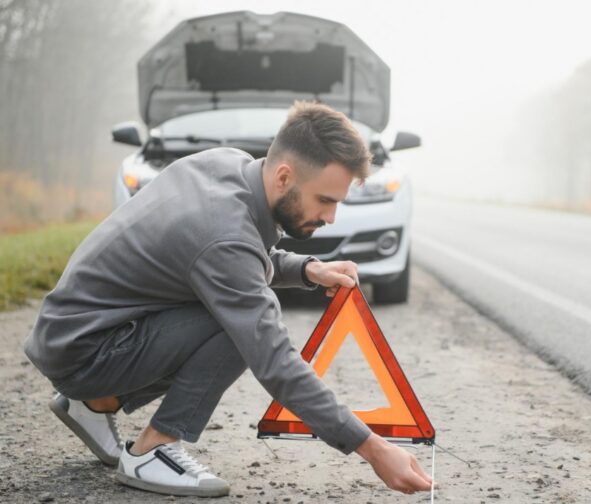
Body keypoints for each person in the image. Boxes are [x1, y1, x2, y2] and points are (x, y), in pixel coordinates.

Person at [23, 101, 432, 497]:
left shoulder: (227, 165)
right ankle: (151, 450)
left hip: (74, 333)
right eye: (325, 200)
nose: (330, 218)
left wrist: (307, 269)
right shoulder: (224, 235)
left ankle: (96, 404)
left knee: (234, 308)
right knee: (240, 329)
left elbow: (230, 254)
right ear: (285, 177)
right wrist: (373, 448)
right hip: (86, 351)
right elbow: (274, 359)